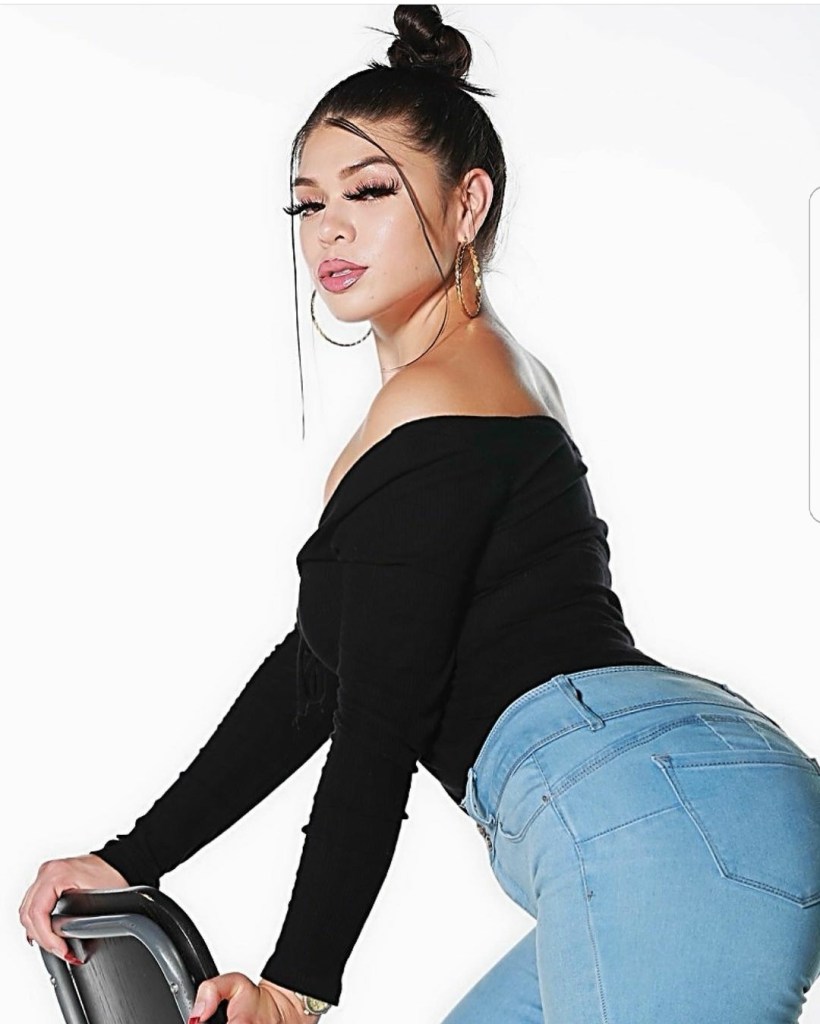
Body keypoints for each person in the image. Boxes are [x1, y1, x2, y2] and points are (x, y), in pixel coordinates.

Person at [19, 6, 820, 1023]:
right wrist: (132, 857)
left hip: (647, 812)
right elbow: (324, 671)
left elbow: (378, 715)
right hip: (677, 795)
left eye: (370, 191)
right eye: (307, 204)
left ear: (467, 200)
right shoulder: (479, 384)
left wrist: (297, 984)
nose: (330, 229)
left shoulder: (437, 400)